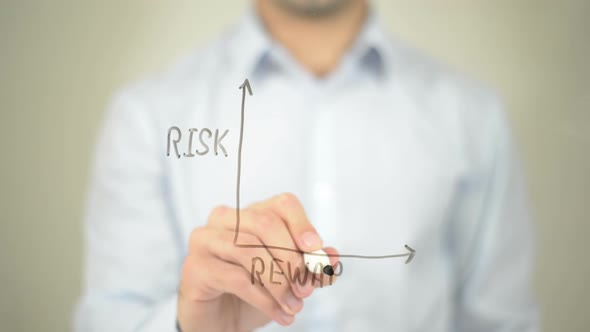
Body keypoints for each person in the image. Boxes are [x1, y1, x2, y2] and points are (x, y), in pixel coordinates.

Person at [74, 0, 539, 331]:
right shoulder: (147, 116)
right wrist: (186, 327)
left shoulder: (474, 117)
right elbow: (111, 319)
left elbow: (502, 321)